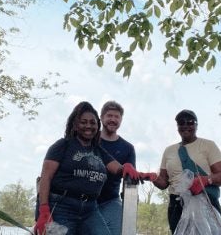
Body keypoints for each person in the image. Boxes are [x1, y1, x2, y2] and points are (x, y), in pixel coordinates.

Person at [34, 101, 141, 235]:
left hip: (90, 209)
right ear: (75, 124)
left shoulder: (98, 150)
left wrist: (127, 167)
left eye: (92, 122)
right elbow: (46, 177)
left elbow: (118, 169)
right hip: (62, 206)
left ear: (97, 125)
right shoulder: (62, 145)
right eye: (83, 122)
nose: (88, 126)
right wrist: (44, 210)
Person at [152, 109, 221, 233]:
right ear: (177, 127)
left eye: (190, 122)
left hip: (205, 202)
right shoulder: (169, 150)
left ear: (196, 125)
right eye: (181, 123)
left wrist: (205, 180)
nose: (186, 126)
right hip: (177, 204)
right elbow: (163, 183)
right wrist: (152, 177)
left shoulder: (208, 145)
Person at [97, 101, 136, 235]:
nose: (113, 119)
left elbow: (130, 179)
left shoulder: (128, 148)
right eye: (109, 116)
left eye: (117, 117)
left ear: (121, 120)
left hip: (111, 200)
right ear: (101, 117)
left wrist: (131, 203)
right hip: (85, 200)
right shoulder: (89, 139)